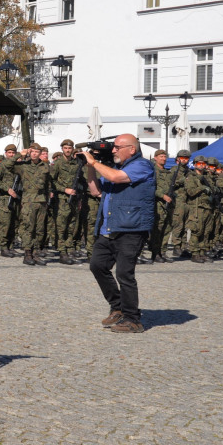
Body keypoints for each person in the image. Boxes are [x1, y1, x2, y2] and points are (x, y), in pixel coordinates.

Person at [83, 133, 154, 334]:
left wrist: (95, 163)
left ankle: (133, 319)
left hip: (132, 229)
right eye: (113, 147)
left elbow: (115, 178)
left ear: (132, 149)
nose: (113, 150)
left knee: (124, 273)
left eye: (117, 147)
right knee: (97, 266)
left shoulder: (142, 166)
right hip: (109, 227)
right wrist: (90, 168)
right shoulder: (115, 168)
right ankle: (118, 307)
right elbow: (96, 191)